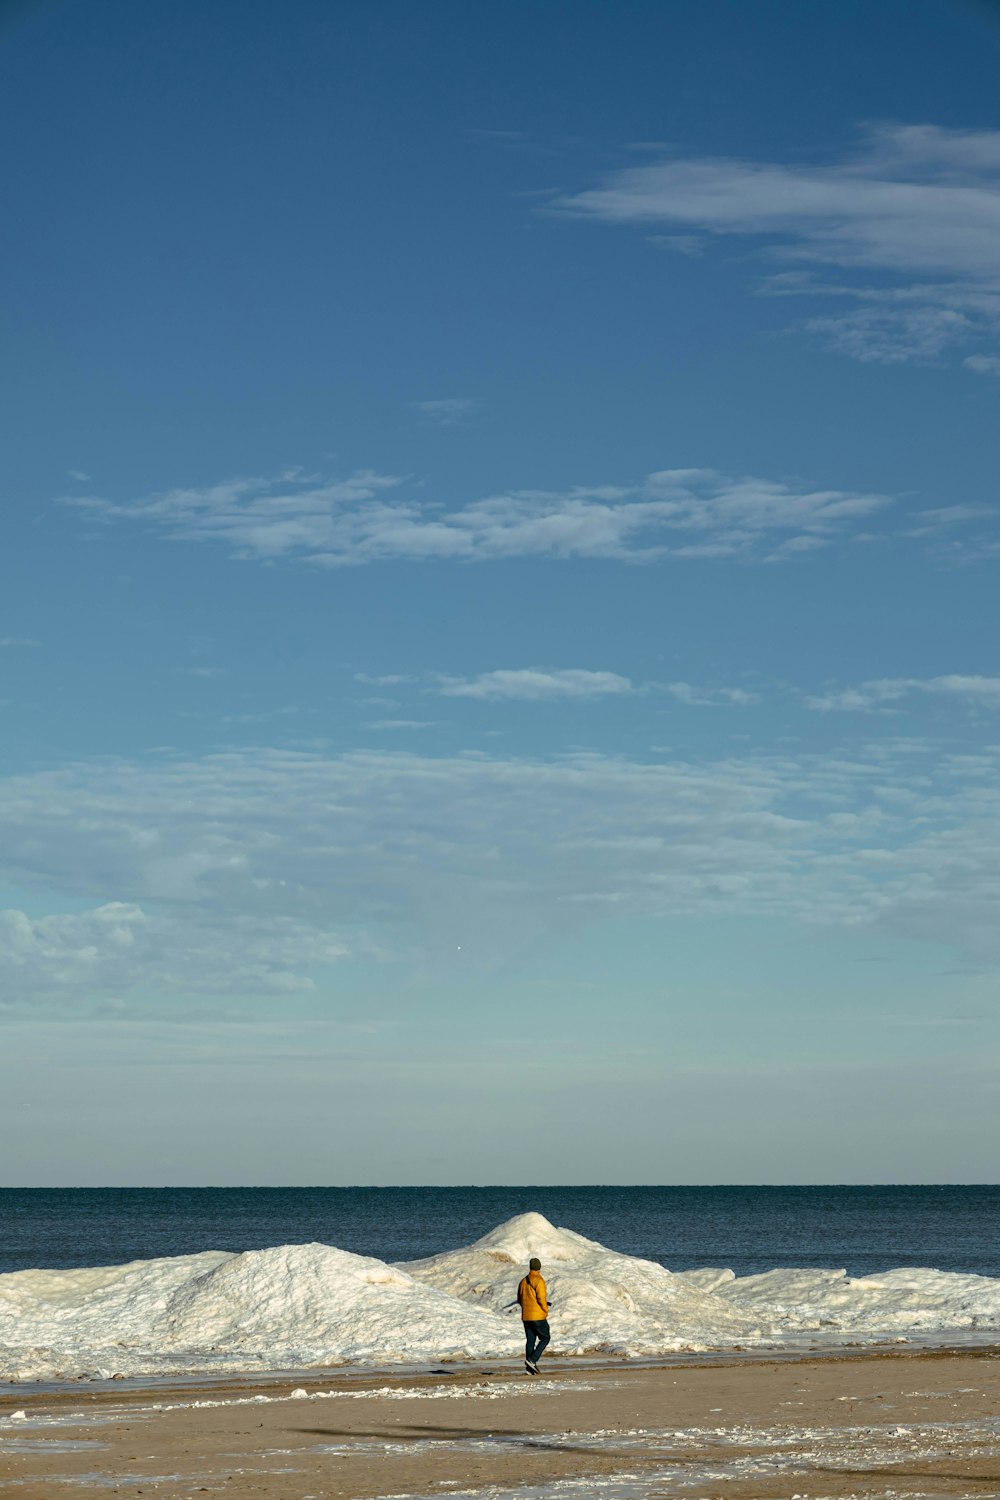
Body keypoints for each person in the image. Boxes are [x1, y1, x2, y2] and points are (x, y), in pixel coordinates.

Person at [517, 1256, 551, 1373]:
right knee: (545, 1337)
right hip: (537, 1316)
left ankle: (529, 1368)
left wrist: (526, 1308)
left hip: (526, 1316)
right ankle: (532, 1360)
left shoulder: (523, 1281)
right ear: (539, 1267)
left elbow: (520, 1299)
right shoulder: (539, 1280)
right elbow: (541, 1298)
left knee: (530, 1340)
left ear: (530, 1267)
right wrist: (545, 1310)